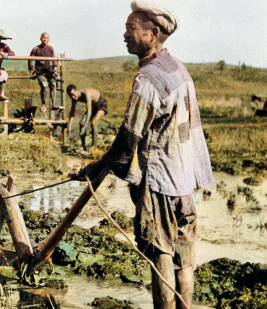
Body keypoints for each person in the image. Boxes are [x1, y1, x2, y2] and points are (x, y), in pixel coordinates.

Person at [71, 1, 214, 308]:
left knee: (160, 256)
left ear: (153, 34)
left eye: (131, 28)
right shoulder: (178, 69)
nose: (125, 34)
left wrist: (99, 165)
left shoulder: (148, 78)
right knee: (184, 261)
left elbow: (128, 137)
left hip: (160, 182)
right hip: (184, 181)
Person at [66, 85, 108, 153]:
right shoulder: (74, 98)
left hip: (101, 104)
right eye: (70, 96)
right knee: (81, 124)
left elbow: (89, 111)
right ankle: (83, 146)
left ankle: (94, 146)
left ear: (77, 90)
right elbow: (72, 112)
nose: (73, 97)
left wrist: (85, 126)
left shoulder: (87, 93)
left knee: (93, 123)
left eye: (73, 95)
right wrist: (69, 125)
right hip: (93, 106)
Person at [28, 33, 58, 113]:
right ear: (41, 39)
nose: (45, 39)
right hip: (39, 72)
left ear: (49, 39)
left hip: (49, 71)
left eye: (47, 38)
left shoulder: (51, 49)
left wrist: (55, 69)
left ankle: (53, 104)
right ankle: (44, 104)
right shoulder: (36, 49)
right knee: (44, 85)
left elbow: (54, 61)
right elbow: (31, 61)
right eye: (43, 38)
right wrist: (32, 70)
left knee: (53, 84)